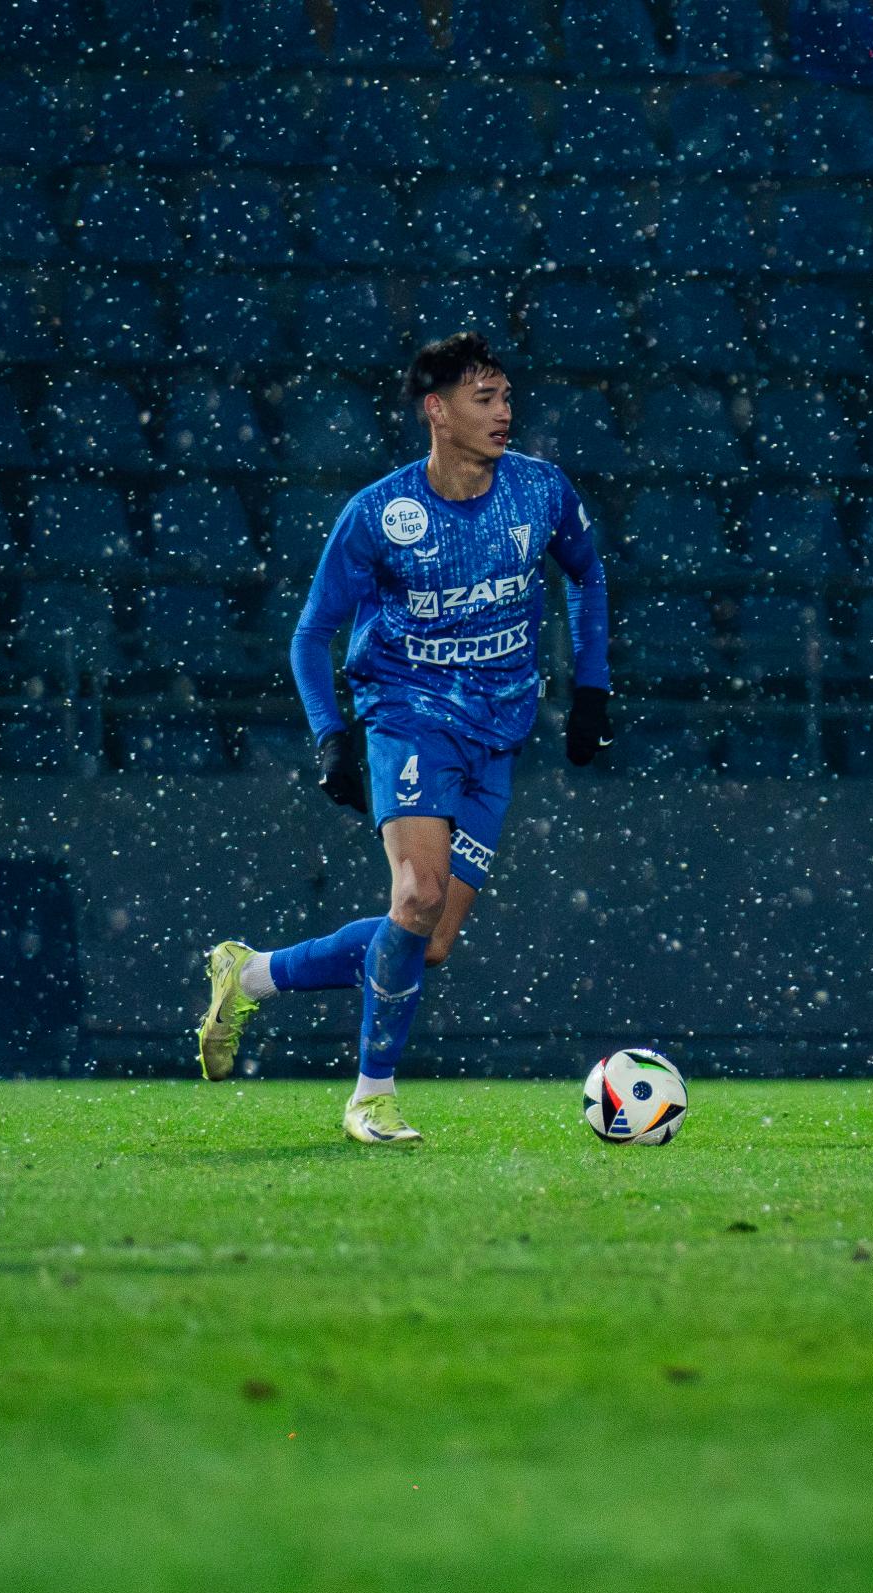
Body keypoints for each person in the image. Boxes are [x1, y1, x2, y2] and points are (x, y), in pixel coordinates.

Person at [196, 332, 613, 1142]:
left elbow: (587, 573)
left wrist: (591, 688)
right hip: (408, 716)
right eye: (484, 399)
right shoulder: (383, 515)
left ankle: (249, 976)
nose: (504, 411)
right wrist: (331, 736)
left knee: (429, 942)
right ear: (437, 411)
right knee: (417, 896)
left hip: (498, 732)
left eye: (506, 395)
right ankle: (372, 1096)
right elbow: (310, 634)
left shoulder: (540, 491)